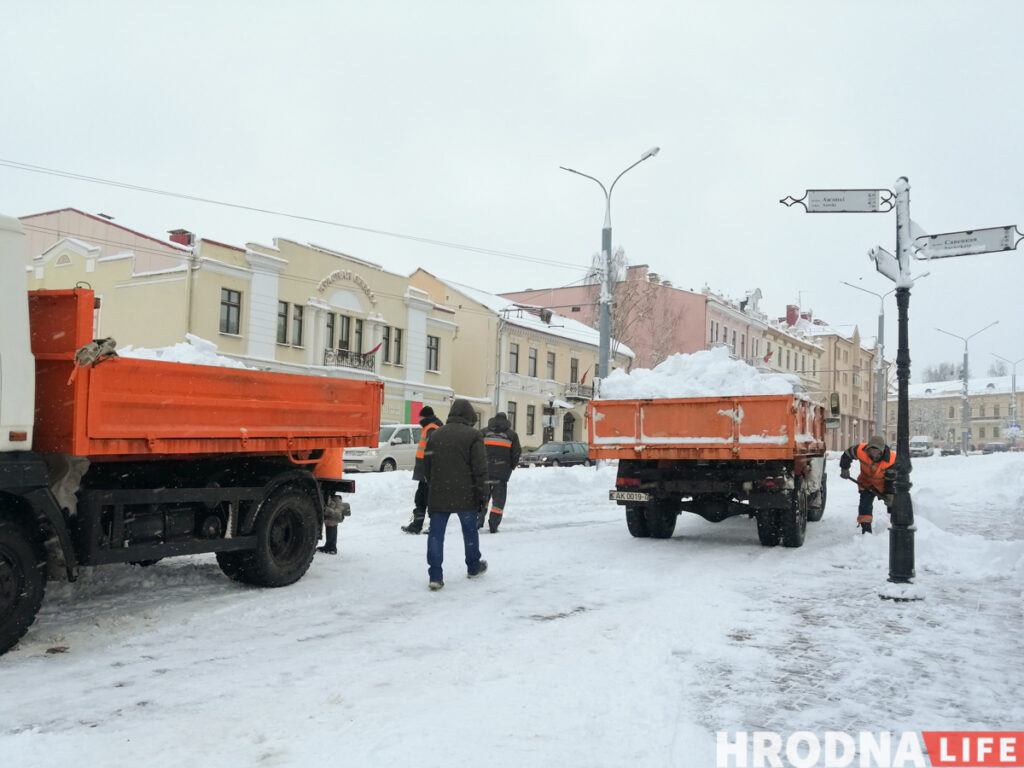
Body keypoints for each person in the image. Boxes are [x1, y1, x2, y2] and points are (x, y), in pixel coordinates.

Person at [421, 398, 489, 591]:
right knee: (469, 531)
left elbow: (427, 466)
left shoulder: (435, 435)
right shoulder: (473, 435)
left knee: (436, 535)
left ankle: (435, 575)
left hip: (439, 493)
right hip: (466, 494)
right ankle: (473, 567)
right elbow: (480, 469)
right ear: (470, 417)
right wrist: (483, 494)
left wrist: (433, 484)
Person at [838, 434, 895, 534]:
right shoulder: (860, 450)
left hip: (884, 485)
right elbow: (847, 455)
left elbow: (890, 480)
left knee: (893, 504)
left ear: (882, 450)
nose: (873, 453)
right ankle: (866, 530)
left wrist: (890, 494)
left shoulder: (890, 460)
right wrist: (845, 468)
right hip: (866, 483)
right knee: (865, 505)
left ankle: (895, 525)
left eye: (877, 450)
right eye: (871, 450)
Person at [402, 406, 444, 534]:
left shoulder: (432, 428)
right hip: (426, 470)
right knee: (421, 498)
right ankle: (417, 525)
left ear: (425, 417)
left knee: (427, 499)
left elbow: (433, 450)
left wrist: (428, 470)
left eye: (420, 417)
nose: (419, 419)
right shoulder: (430, 427)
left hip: (428, 471)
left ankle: (431, 527)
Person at [480, 412, 521, 533]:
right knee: (499, 500)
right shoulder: (511, 435)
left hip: (484, 471)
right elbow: (516, 453)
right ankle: (493, 524)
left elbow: (476, 450)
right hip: (501, 473)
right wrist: (510, 467)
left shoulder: (483, 432)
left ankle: (479, 519)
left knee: (482, 497)